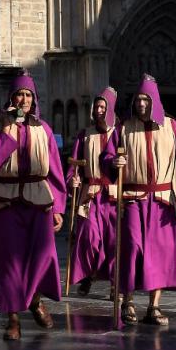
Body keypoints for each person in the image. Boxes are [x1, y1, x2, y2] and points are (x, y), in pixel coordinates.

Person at [104, 75, 176, 327]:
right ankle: (127, 301)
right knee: (132, 249)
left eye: (147, 100)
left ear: (155, 101)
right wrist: (113, 163)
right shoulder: (124, 127)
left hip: (163, 201)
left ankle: (153, 306)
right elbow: (108, 157)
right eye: (139, 100)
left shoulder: (172, 127)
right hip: (134, 199)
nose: (142, 105)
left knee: (158, 255)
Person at [0, 72, 65, 340]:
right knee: (8, 263)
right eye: (20, 94)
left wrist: (59, 207)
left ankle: (35, 298)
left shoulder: (44, 129)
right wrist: (7, 129)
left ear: (34, 99)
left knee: (43, 256)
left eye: (28, 95)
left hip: (38, 200)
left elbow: (55, 170)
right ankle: (12, 319)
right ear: (11, 98)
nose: (24, 99)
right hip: (6, 201)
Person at [66, 87, 119, 296]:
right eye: (97, 106)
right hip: (90, 193)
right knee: (88, 237)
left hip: (114, 195)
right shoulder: (84, 135)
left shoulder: (120, 133)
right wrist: (73, 181)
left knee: (114, 241)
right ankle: (88, 274)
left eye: (103, 107)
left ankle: (116, 283)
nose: (99, 110)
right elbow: (73, 166)